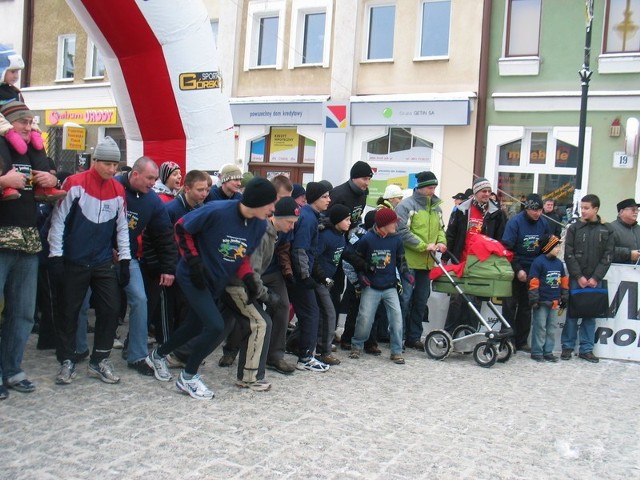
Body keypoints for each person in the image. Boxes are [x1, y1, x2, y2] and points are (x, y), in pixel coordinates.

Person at [144, 177, 277, 399]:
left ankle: (157, 356)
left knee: (194, 326)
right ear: (256, 202)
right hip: (193, 276)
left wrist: (249, 280)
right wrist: (194, 262)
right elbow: (181, 228)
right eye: (270, 204)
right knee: (215, 325)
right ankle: (188, 377)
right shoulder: (217, 210)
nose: (273, 209)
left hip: (216, 280)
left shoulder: (259, 225)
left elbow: (242, 256)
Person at [48, 136, 131, 385]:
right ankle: (67, 360)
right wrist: (56, 256)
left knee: (110, 308)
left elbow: (122, 227)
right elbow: (58, 221)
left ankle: (100, 360)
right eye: (107, 164)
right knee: (69, 311)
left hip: (103, 261)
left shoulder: (118, 189)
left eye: (116, 165)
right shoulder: (75, 183)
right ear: (95, 161)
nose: (112, 169)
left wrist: (125, 259)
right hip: (74, 260)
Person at [0, 103, 59, 400]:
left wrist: (52, 179)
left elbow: (45, 185)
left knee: (22, 312)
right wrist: (2, 181)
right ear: (8, 124)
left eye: (30, 122)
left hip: (27, 239)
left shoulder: (30, 151)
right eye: (21, 122)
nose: (27, 126)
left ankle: (12, 369)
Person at [219, 196, 301, 390]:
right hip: (236, 284)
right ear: (277, 216)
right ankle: (249, 377)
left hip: (242, 285)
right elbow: (252, 272)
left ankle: (249, 374)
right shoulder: (264, 234)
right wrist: (265, 295)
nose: (291, 227)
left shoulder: (272, 233)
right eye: (289, 222)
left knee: (226, 326)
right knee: (259, 323)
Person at [117, 157, 176, 377]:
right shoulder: (115, 187)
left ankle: (137, 355)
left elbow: (164, 235)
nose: (153, 183)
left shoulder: (152, 201)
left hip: (129, 257)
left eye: (155, 179)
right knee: (92, 304)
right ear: (135, 174)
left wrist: (168, 268)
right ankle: (77, 350)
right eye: (150, 178)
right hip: (100, 255)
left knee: (141, 300)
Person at [349, 208, 412, 364]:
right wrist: (362, 277)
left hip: (390, 286)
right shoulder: (367, 239)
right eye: (393, 223)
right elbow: (358, 261)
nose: (396, 226)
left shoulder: (396, 239)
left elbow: (401, 260)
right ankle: (357, 345)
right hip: (371, 286)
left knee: (397, 318)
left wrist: (406, 274)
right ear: (383, 225)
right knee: (364, 318)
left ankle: (396, 351)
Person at [444, 176, 507, 333]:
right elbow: (450, 234)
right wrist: (446, 258)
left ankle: (470, 336)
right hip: (461, 260)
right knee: (457, 300)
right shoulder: (461, 210)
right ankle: (449, 334)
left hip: (481, 263)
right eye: (483, 191)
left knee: (476, 301)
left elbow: (499, 240)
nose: (486, 194)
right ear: (476, 192)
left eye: (489, 191)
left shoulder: (496, 213)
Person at [395, 171, 447, 350]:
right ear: (420, 187)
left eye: (434, 188)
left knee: (421, 300)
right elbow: (401, 232)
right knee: (405, 300)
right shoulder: (405, 206)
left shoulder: (437, 208)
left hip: (427, 263)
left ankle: (414, 337)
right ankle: (398, 338)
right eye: (429, 188)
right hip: (408, 262)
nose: (432, 191)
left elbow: (441, 229)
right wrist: (423, 246)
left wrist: (441, 242)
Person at [561, 194, 614, 363]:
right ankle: (567, 347)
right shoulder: (574, 228)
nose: (582, 211)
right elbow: (568, 254)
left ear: (595, 209)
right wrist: (579, 276)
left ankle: (586, 349)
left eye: (586, 208)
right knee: (572, 314)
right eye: (581, 208)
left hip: (595, 279)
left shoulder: (607, 229)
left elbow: (608, 255)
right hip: (578, 277)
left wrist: (596, 277)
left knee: (590, 315)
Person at [289, 181, 332, 372]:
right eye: (324, 196)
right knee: (311, 313)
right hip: (299, 276)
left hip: (302, 273)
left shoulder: (312, 216)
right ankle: (305, 357)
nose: (328, 199)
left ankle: (302, 352)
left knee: (309, 313)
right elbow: (300, 249)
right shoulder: (307, 218)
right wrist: (305, 276)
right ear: (314, 198)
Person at [500, 193, 550, 351]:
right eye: (535, 210)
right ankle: (507, 339)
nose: (538, 214)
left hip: (534, 269)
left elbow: (548, 246)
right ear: (527, 208)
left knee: (527, 307)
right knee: (509, 305)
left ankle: (521, 341)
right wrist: (518, 269)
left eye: (540, 210)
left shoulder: (544, 223)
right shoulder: (515, 222)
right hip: (515, 266)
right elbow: (507, 248)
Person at [312, 204, 351, 365]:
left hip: (326, 281)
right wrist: (321, 277)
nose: (350, 223)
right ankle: (324, 351)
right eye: (347, 220)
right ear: (337, 221)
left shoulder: (340, 235)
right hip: (318, 281)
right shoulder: (326, 236)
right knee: (329, 314)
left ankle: (294, 343)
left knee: (316, 315)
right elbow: (313, 257)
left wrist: (363, 263)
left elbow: (347, 253)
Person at [528, 234, 568, 362]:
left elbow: (564, 281)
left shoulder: (559, 264)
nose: (558, 249)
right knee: (540, 327)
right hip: (541, 301)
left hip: (555, 301)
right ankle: (537, 351)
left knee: (551, 328)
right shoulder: (538, 262)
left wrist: (564, 295)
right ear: (548, 247)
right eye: (556, 247)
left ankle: (548, 351)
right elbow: (533, 282)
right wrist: (534, 299)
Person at [610, 198, 640, 264]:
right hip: (618, 272)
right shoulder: (610, 228)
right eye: (633, 209)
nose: (636, 212)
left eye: (637, 209)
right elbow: (606, 252)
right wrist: (629, 254)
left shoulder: (638, 229)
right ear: (621, 212)